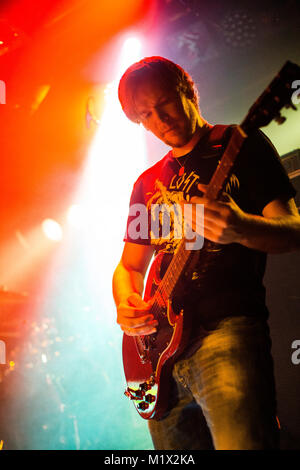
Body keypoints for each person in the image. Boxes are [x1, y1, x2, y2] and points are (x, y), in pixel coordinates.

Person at [112, 56, 300, 450]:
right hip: (160, 357)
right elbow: (129, 266)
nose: (159, 120)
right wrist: (124, 305)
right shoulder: (146, 183)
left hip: (226, 333)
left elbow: (293, 229)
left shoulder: (238, 144)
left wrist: (242, 228)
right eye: (146, 114)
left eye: (164, 102)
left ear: (188, 90)